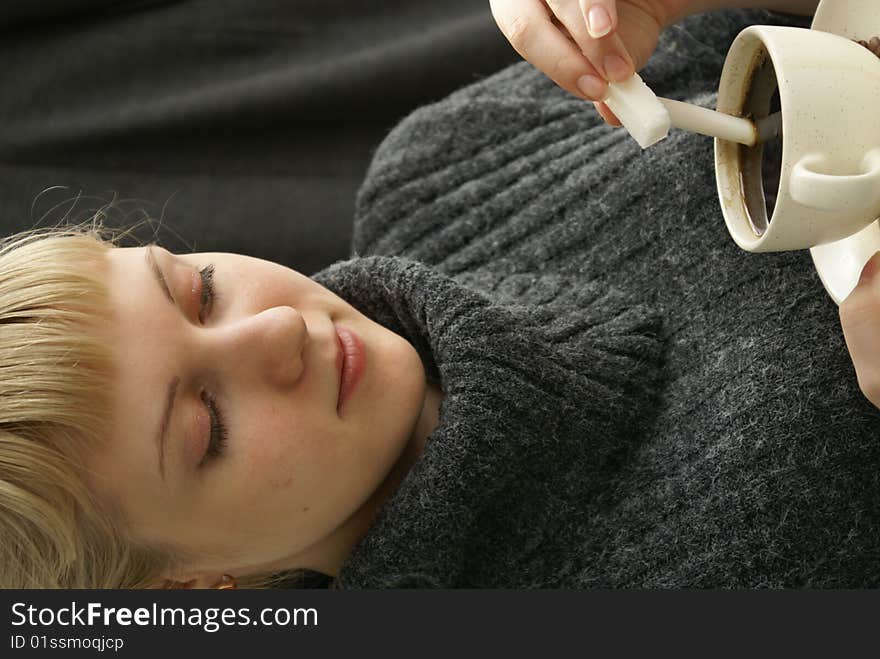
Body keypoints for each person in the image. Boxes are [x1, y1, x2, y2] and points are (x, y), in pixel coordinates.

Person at [2, 0, 878, 588]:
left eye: (199, 291)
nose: (275, 330)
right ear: (193, 586)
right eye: (208, 426)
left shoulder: (439, 168)